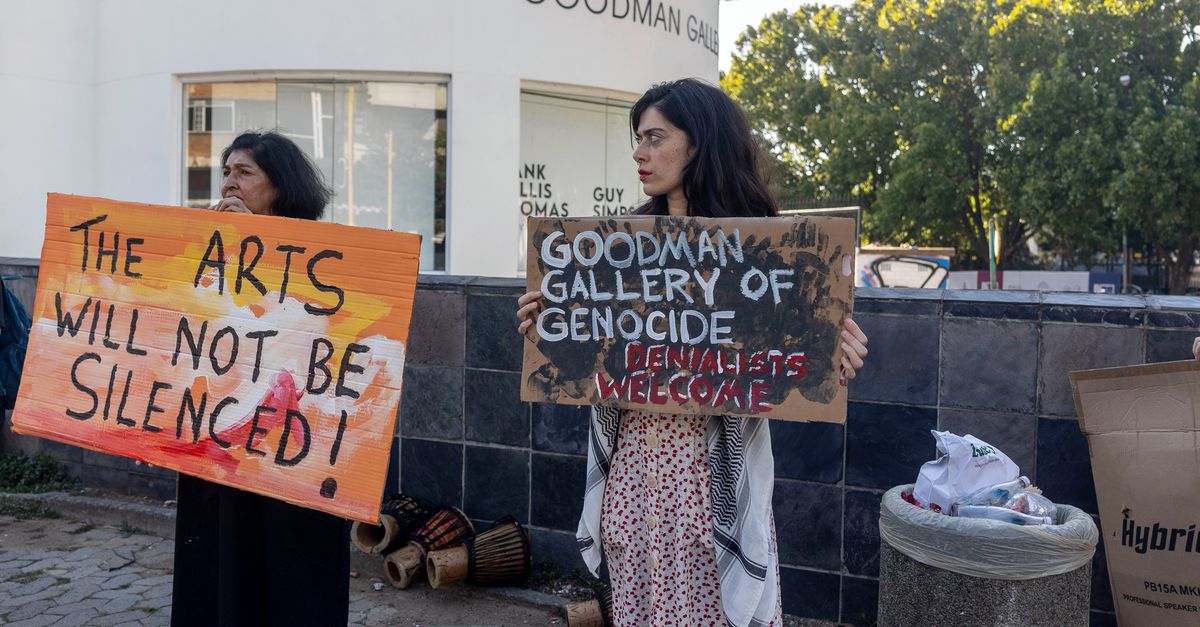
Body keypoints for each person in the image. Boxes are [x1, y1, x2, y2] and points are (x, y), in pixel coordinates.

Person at [516, 79, 870, 627]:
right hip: (632, 479)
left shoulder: (771, 251)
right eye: (638, 139)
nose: (639, 153)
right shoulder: (620, 247)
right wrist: (551, 325)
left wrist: (836, 353)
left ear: (699, 142)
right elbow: (590, 355)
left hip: (711, 482)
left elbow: (795, 368)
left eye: (655, 138)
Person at [171, 131, 347, 627]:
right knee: (223, 557)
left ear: (280, 186)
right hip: (222, 434)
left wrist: (261, 243)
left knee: (291, 562)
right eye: (226, 171)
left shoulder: (328, 254)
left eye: (244, 172)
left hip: (293, 444)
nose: (230, 183)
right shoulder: (208, 246)